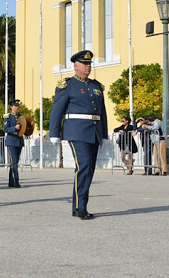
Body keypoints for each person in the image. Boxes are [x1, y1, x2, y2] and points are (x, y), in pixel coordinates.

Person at [49, 50, 108, 220]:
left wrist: (104, 133)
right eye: (84, 64)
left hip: (94, 132)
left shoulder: (96, 86)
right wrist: (54, 133)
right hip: (76, 131)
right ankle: (81, 207)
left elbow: (102, 112)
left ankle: (78, 206)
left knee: (89, 169)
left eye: (89, 64)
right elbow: (57, 110)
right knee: (83, 166)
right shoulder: (67, 85)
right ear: (76, 66)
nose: (88, 67)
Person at [3, 99, 26, 188]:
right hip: (11, 141)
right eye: (15, 106)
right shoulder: (7, 117)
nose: (16, 107)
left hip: (19, 141)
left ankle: (11, 181)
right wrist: (14, 128)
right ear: (11, 107)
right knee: (14, 161)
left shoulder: (20, 117)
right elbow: (6, 129)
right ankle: (16, 181)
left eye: (17, 106)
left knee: (15, 162)